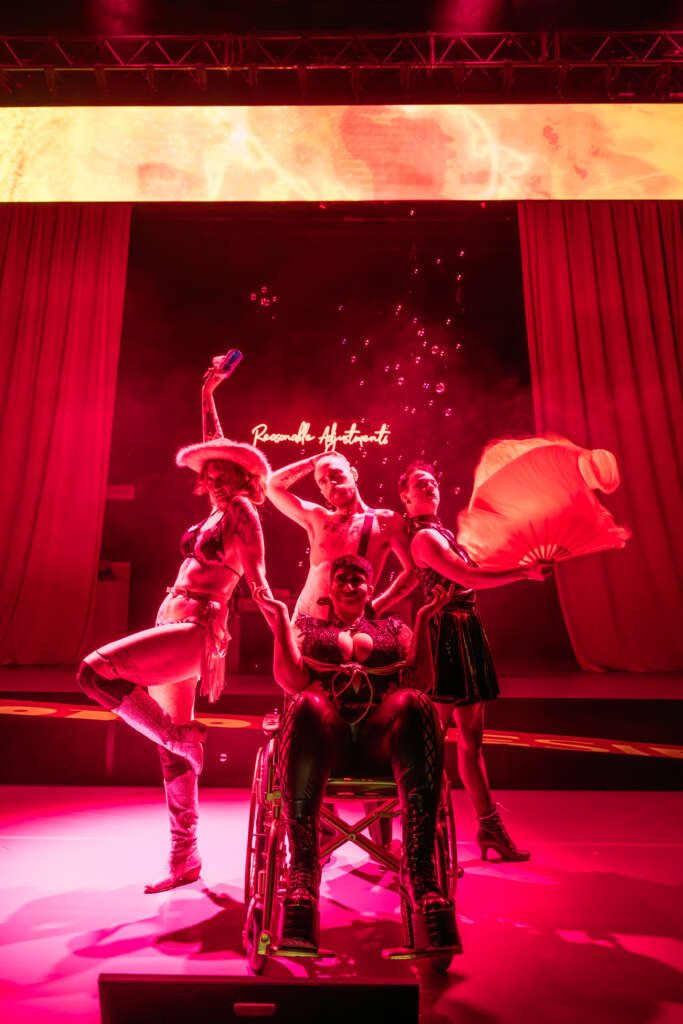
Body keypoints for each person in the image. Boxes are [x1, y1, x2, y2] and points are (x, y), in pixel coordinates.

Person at [77, 436, 272, 892]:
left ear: (244, 477)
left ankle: (181, 740)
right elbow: (213, 444)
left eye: (223, 476)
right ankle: (184, 857)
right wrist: (208, 394)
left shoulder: (243, 512)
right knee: (169, 750)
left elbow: (259, 578)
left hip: (196, 628)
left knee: (94, 672)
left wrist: (284, 632)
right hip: (175, 617)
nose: (213, 482)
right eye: (209, 476)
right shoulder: (217, 513)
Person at [253, 554, 461, 954]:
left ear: (369, 588)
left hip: (379, 743)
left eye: (357, 581)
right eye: (342, 580)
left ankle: (420, 875)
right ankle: (302, 875)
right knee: (306, 702)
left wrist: (424, 620)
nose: (349, 586)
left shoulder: (392, 628)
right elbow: (292, 679)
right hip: (323, 743)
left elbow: (421, 679)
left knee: (415, 701)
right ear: (330, 589)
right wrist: (279, 618)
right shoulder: (310, 628)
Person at [398, 461, 550, 862]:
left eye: (433, 482)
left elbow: (433, 578)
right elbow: (469, 576)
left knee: (472, 743)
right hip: (443, 636)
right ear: (405, 497)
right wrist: (524, 572)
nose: (430, 487)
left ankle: (490, 828)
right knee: (430, 745)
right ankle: (424, 838)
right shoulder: (426, 538)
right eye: (420, 484)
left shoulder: (442, 533)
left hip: (466, 631)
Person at [267, 451, 416, 620]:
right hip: (304, 621)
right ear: (322, 492)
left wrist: (378, 605)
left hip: (350, 626)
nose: (331, 483)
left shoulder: (385, 521)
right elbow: (272, 486)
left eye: (336, 474)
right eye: (323, 481)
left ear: (353, 474)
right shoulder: (318, 519)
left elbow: (413, 570)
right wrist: (312, 462)